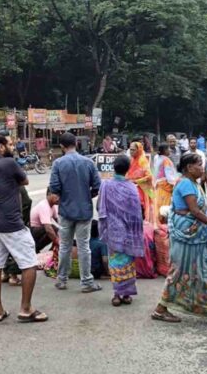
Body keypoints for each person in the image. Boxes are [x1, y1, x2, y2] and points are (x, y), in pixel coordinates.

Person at [151, 153, 207, 325]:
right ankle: (161, 309)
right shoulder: (186, 185)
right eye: (199, 165)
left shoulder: (193, 184)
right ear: (189, 168)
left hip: (196, 235)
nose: (202, 168)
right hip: (188, 236)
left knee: (203, 271)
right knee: (182, 271)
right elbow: (196, 212)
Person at [0, 134, 47, 323]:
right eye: (9, 144)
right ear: (0, 147)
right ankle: (26, 308)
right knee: (29, 263)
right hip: (12, 224)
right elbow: (25, 181)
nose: (13, 146)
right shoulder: (9, 164)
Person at [50, 132, 102, 293]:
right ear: (76, 144)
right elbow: (97, 186)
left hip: (65, 211)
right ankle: (86, 282)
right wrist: (87, 196)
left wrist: (64, 198)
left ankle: (61, 280)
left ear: (62, 146)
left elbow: (54, 188)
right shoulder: (88, 162)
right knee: (84, 247)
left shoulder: (58, 163)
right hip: (84, 210)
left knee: (65, 246)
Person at [98, 155, 144, 307]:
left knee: (116, 262)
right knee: (127, 262)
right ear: (128, 169)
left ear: (113, 167)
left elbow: (100, 207)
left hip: (113, 230)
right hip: (128, 232)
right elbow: (137, 212)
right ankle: (125, 293)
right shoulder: (132, 187)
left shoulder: (106, 185)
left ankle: (117, 294)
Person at [126, 141, 157, 225]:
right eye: (130, 150)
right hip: (132, 189)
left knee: (140, 212)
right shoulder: (132, 160)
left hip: (142, 191)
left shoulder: (142, 160)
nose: (131, 152)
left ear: (138, 150)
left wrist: (136, 181)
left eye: (133, 150)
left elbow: (149, 177)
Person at [153, 143, 178, 224]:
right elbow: (169, 176)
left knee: (158, 205)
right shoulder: (166, 160)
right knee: (165, 206)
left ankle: (158, 224)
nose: (169, 150)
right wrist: (175, 183)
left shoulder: (158, 158)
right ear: (164, 151)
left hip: (158, 185)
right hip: (166, 186)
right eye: (168, 149)